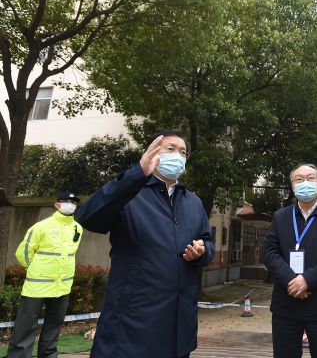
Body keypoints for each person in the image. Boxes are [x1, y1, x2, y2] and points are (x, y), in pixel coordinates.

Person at [75, 131, 215, 358]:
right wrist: (137, 173)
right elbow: (89, 218)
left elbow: (207, 242)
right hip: (132, 327)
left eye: (183, 153)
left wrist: (202, 251)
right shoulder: (129, 193)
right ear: (153, 152)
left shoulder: (193, 202)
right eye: (170, 149)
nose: (178, 156)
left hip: (179, 328)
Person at [263, 163, 317, 358]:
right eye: (299, 179)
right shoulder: (280, 217)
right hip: (286, 305)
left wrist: (307, 280)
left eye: (310, 178)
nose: (305, 182)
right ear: (292, 186)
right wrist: (291, 280)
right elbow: (269, 252)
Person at [8, 192, 83, 358]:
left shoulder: (77, 228)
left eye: (73, 202)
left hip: (62, 286)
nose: (70, 204)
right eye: (66, 201)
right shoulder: (41, 227)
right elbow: (23, 253)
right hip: (37, 285)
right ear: (56, 204)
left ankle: (48, 355)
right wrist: (34, 269)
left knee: (54, 325)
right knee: (26, 326)